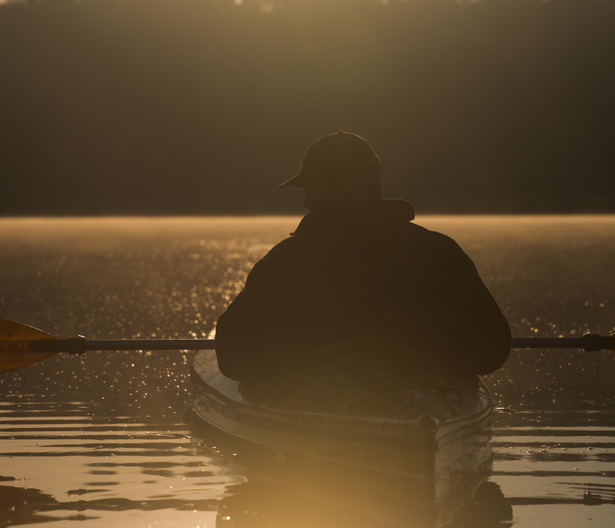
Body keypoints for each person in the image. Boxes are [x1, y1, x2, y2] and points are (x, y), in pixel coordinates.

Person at [214, 131, 511, 384]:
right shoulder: (440, 250)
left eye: (310, 187)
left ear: (331, 186)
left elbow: (232, 359)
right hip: (432, 402)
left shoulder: (288, 260)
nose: (304, 200)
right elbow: (492, 352)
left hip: (320, 409)